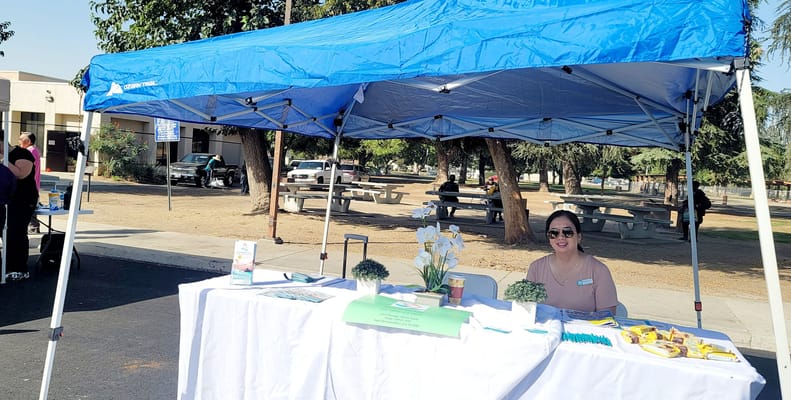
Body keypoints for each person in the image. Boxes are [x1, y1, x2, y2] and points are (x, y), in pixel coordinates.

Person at [526, 210, 618, 314]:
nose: (561, 237)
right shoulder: (536, 268)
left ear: (579, 237)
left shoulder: (599, 270)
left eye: (567, 232)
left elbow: (607, 317)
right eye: (554, 233)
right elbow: (527, 310)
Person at [0, 144, 39, 281]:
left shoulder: (22, 154)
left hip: (23, 199)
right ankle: (8, 264)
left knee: (16, 231)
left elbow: (21, 174)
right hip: (6, 199)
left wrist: (3, 159)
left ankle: (20, 268)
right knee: (6, 232)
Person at [19, 132, 41, 233]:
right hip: (34, 184)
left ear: (28, 142)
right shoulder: (34, 150)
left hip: (30, 185)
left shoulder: (29, 152)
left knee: (28, 208)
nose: (19, 141)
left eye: (21, 139)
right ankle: (34, 226)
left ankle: (33, 226)